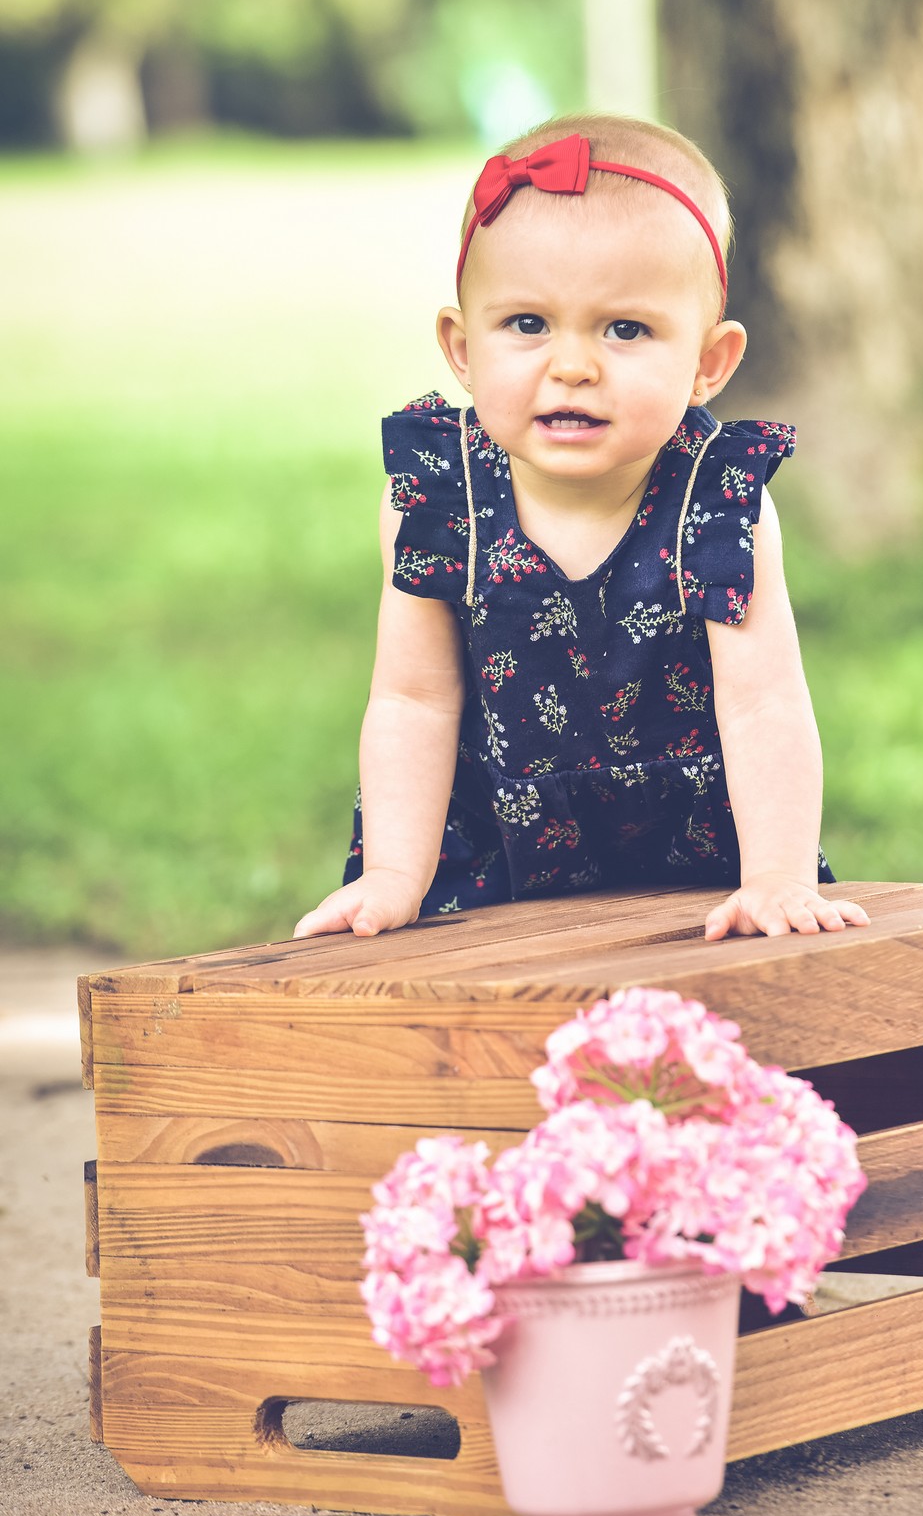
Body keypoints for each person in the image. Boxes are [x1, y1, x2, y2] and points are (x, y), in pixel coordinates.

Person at [294, 114, 869, 944]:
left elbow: (763, 702)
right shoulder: (438, 497)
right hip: (496, 862)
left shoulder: (716, 500)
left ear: (708, 363)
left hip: (694, 866)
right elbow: (413, 699)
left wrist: (775, 877)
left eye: (625, 329)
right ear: (462, 347)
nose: (572, 366)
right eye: (527, 324)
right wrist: (392, 874)